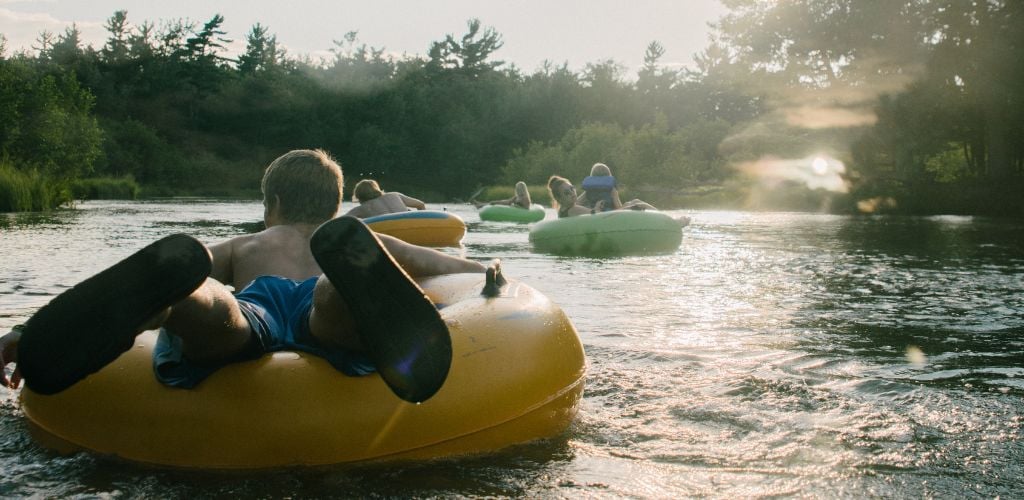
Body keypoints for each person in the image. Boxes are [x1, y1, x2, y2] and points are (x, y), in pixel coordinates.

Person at [0, 149, 492, 402]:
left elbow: (184, 269)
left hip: (259, 305)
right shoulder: (365, 242)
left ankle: (173, 308)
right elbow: (458, 269)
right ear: (336, 205)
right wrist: (492, 281)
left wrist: (29, 328)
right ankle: (346, 291)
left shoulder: (249, 245)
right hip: (321, 303)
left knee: (216, 309)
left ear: (271, 204)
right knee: (333, 309)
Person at [576, 163, 657, 212]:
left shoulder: (588, 190)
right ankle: (661, 215)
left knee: (630, 203)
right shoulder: (612, 189)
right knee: (636, 201)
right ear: (609, 175)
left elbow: (576, 204)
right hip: (611, 214)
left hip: (596, 212)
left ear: (592, 176)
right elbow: (618, 207)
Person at [344, 179, 426, 218]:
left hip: (389, 231)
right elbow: (421, 205)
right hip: (411, 226)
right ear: (377, 189)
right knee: (408, 211)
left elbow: (341, 221)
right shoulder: (394, 195)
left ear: (359, 196)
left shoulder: (361, 208)